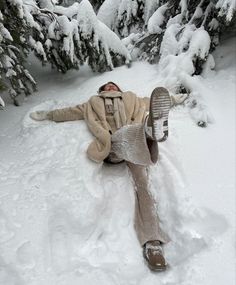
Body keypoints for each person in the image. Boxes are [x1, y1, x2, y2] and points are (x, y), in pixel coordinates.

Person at [30, 82, 188, 271]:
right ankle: (149, 131)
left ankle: (152, 243)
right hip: (113, 148)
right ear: (102, 90)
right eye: (108, 86)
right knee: (126, 134)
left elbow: (150, 103)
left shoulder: (132, 98)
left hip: (136, 148)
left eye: (114, 86)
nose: (111, 87)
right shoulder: (92, 103)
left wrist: (174, 99)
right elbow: (70, 112)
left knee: (144, 185)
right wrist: (48, 115)